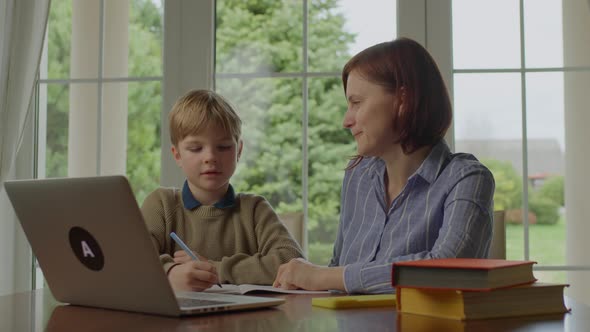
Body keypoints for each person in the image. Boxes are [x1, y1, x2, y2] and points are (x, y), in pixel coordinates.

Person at [273, 37, 495, 294]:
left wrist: (323, 277)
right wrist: (305, 280)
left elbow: (449, 269)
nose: (346, 120)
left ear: (403, 100)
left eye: (356, 103)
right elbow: (338, 269)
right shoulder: (357, 176)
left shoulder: (467, 178)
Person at [141, 89, 304, 292]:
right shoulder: (161, 204)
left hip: (247, 321)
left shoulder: (255, 209)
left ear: (239, 151)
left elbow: (293, 261)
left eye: (224, 147)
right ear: (177, 155)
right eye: (195, 148)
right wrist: (169, 273)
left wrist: (215, 269)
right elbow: (132, 258)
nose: (210, 157)